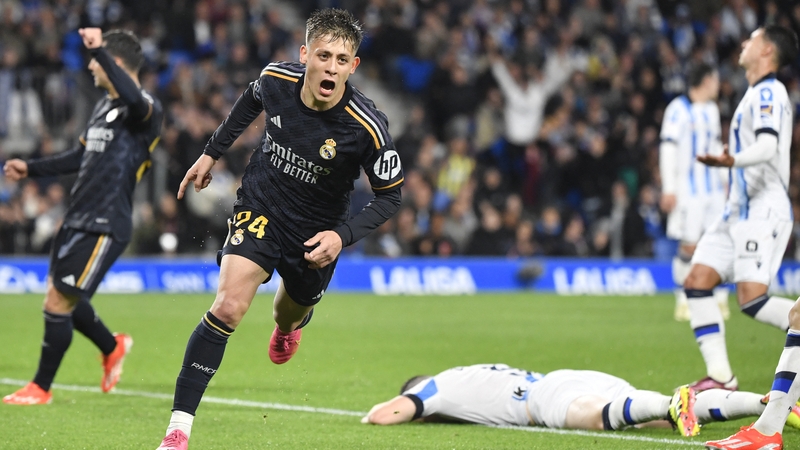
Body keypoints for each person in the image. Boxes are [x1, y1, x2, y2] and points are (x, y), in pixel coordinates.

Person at [156, 9, 404, 450]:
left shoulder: (368, 127)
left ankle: (291, 324)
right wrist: (211, 153)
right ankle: (178, 430)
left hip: (317, 233)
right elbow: (251, 100)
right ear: (305, 53)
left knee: (286, 313)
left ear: (354, 66)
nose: (331, 67)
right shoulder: (275, 79)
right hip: (262, 206)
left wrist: (340, 236)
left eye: (342, 60)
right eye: (323, 55)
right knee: (229, 307)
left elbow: (390, 196)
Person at [2, 29, 162, 404]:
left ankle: (40, 387)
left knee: (58, 302)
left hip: (106, 222)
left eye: (98, 60)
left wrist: (98, 50)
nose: (91, 66)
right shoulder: (102, 107)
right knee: (63, 299)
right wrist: (31, 167)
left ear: (115, 63)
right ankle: (112, 346)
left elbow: (136, 99)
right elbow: (79, 157)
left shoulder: (145, 109)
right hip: (78, 217)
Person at [702, 25, 800, 450]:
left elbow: (766, 146)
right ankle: (760, 419)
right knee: (702, 281)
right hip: (740, 210)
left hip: (764, 206)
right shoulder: (758, 93)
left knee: (756, 299)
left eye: (751, 38)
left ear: (766, 49)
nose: (742, 43)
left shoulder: (767, 93)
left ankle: (767, 425)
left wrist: (731, 159)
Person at [362, 363, 793, 437]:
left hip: (543, 397)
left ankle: (669, 405)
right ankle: (771, 404)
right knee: (654, 418)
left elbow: (388, 416)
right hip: (572, 377)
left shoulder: (434, 387)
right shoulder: (467, 373)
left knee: (594, 419)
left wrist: (374, 415)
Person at [659, 62, 729, 322]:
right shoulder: (677, 109)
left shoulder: (712, 110)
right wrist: (669, 188)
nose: (718, 85)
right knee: (688, 245)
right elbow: (668, 149)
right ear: (707, 80)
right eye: (716, 80)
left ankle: (719, 299)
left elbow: (713, 147)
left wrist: (725, 180)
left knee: (719, 243)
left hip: (713, 190)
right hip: (687, 190)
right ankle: (682, 299)